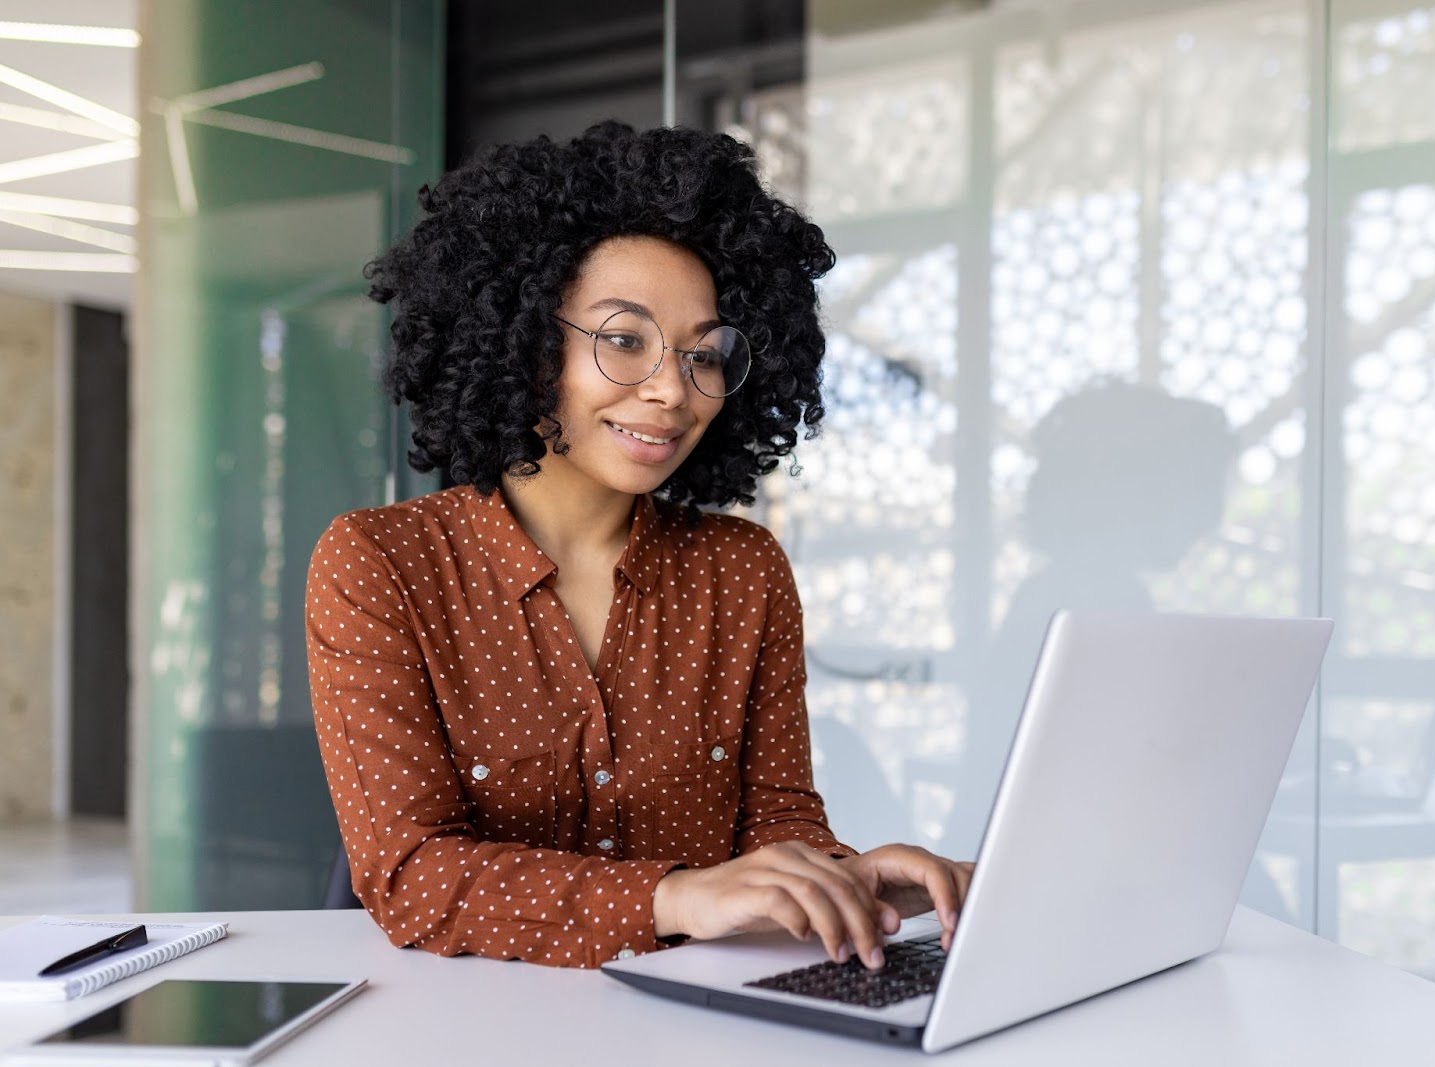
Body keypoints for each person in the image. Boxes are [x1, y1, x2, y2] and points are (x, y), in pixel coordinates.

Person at [305, 122, 973, 971]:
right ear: (521, 335)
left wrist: (843, 878)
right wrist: (676, 895)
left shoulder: (742, 569)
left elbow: (778, 823)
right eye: (625, 340)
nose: (671, 390)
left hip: (697, 1016)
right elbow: (409, 872)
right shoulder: (382, 563)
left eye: (704, 354)